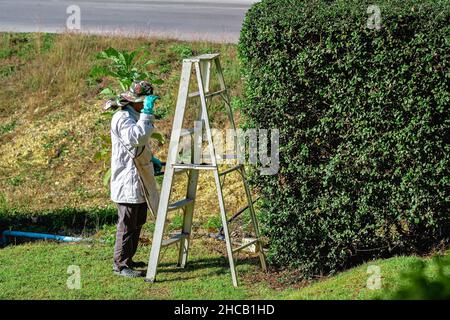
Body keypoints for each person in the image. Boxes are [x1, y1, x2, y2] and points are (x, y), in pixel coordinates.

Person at [109, 80, 161, 278]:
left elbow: (140, 146)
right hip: (127, 179)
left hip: (138, 176)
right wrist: (148, 112)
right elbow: (137, 137)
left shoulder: (134, 115)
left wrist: (150, 158)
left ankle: (128, 258)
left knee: (138, 221)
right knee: (127, 224)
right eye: (146, 102)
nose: (148, 106)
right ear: (137, 101)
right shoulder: (122, 117)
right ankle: (120, 265)